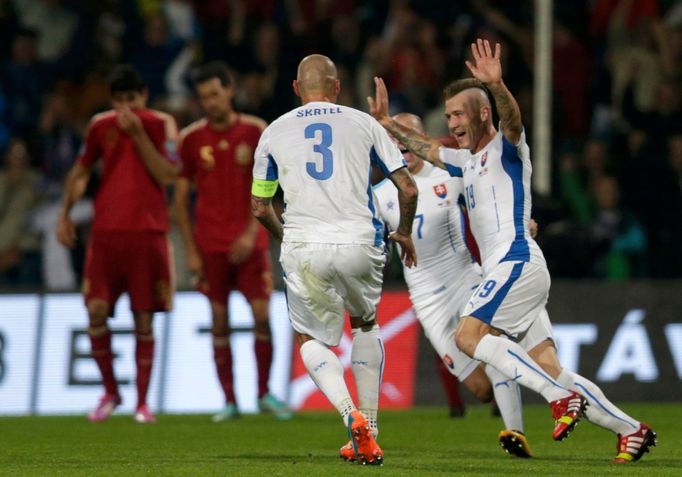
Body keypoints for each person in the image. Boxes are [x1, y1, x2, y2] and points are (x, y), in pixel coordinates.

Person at [368, 39, 656, 463]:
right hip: (513, 269)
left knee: (469, 336)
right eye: (448, 116)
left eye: (459, 115)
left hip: (515, 261)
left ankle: (559, 398)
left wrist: (498, 87)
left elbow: (515, 121)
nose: (453, 123)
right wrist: (386, 122)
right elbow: (426, 148)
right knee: (551, 365)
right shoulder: (466, 162)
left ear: (483, 114)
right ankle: (631, 430)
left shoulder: (507, 149)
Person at [251, 54, 418, 465]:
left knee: (312, 339)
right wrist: (405, 232)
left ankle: (350, 416)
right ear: (338, 87)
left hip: (306, 243)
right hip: (360, 241)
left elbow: (259, 206)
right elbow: (408, 189)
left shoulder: (273, 132)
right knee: (365, 322)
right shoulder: (364, 123)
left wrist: (285, 235)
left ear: (295, 89)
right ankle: (372, 429)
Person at [368, 112, 531, 459]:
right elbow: (371, 239)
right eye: (397, 139)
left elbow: (489, 197)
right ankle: (506, 404)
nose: (403, 145)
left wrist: (519, 221)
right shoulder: (381, 194)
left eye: (410, 136)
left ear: (423, 139)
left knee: (492, 349)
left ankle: (516, 433)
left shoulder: (448, 175)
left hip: (465, 278)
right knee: (480, 389)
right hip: (426, 298)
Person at [56, 65, 179, 424]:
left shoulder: (161, 124)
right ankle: (110, 393)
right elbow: (80, 172)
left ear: (144, 96)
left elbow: (169, 174)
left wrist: (140, 136)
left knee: (143, 318)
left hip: (147, 233)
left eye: (133, 99)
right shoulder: (100, 126)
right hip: (107, 234)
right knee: (95, 311)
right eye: (120, 101)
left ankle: (142, 403)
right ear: (113, 100)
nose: (127, 108)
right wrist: (65, 212)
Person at [174, 61, 291, 421]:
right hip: (210, 245)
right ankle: (228, 401)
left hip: (249, 243)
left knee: (260, 316)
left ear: (230, 90)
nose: (209, 102)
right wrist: (191, 251)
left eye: (214, 93)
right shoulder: (191, 139)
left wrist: (252, 232)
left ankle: (264, 394)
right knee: (219, 319)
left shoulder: (257, 131)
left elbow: (271, 190)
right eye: (203, 97)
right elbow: (179, 198)